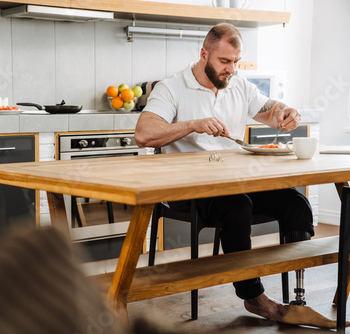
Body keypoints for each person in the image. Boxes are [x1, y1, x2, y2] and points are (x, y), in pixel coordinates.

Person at [134, 23, 315, 324]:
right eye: (224, 61)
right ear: (204, 54)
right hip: (188, 190)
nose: (231, 69)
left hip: (236, 183)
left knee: (296, 203)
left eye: (236, 62)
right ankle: (254, 297)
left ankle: (298, 294)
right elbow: (144, 133)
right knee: (238, 207)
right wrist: (191, 124)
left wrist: (286, 112)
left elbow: (270, 109)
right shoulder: (171, 88)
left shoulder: (239, 85)